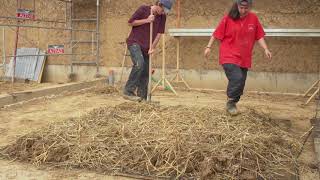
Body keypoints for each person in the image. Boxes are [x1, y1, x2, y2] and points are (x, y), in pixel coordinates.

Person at [204, 0, 272, 115]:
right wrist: (208, 47)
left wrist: (265, 49)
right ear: (237, 6)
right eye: (241, 8)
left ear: (249, 7)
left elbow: (259, 35)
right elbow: (216, 33)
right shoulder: (228, 18)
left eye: (246, 8)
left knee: (241, 82)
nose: (244, 11)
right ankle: (230, 102)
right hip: (228, 54)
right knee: (237, 77)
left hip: (244, 58)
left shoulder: (253, 19)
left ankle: (233, 102)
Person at [123, 0, 173, 101]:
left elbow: (159, 33)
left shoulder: (162, 17)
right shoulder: (143, 9)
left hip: (147, 47)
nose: (163, 13)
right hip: (134, 43)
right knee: (139, 63)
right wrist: (147, 20)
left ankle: (142, 98)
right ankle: (128, 91)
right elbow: (130, 22)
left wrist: (152, 47)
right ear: (159, 5)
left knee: (146, 72)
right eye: (163, 10)